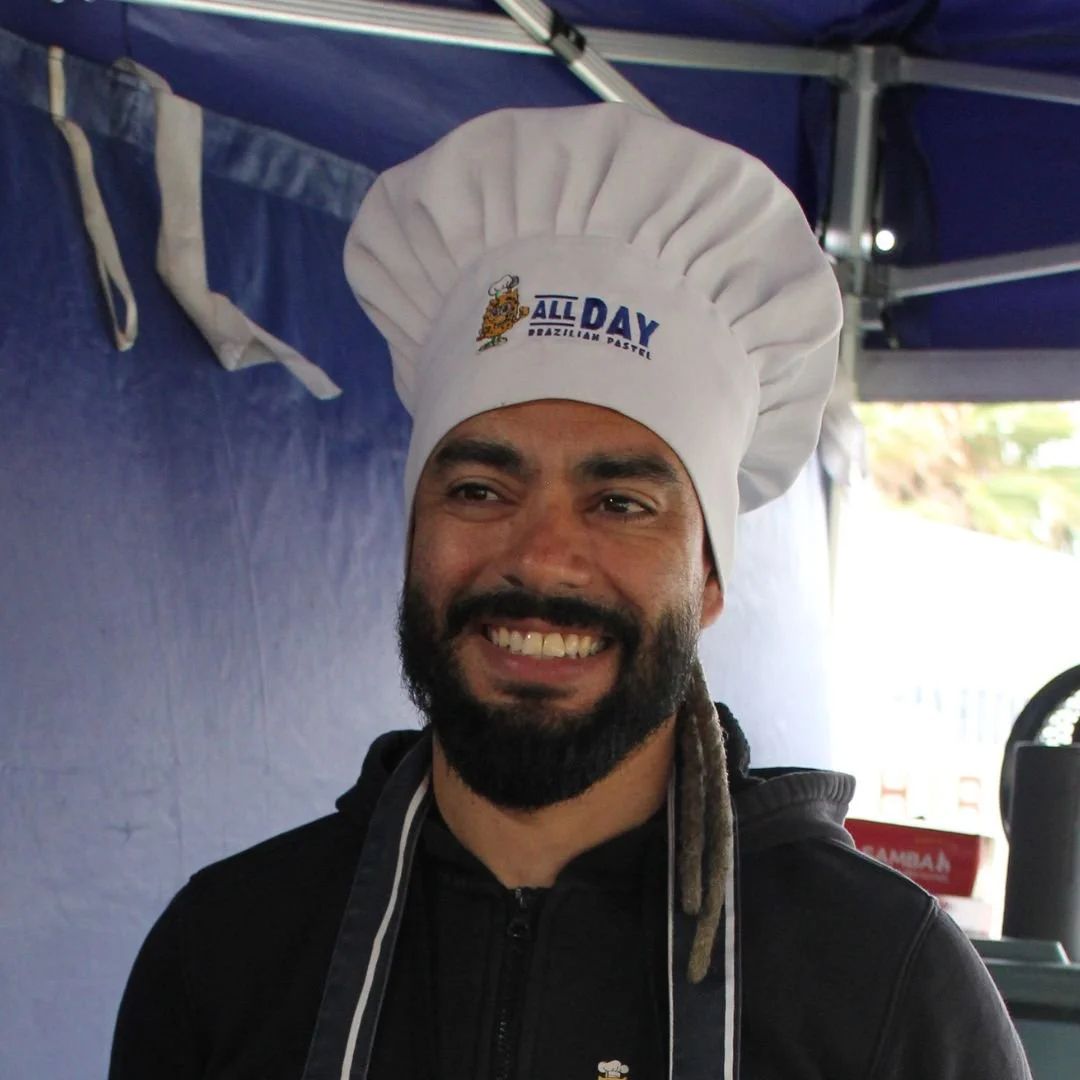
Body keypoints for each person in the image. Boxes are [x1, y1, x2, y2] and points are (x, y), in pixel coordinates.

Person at [108, 104, 1031, 1080]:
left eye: (621, 503)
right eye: (479, 490)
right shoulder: (227, 954)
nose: (543, 559)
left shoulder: (881, 983)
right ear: (413, 537)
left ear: (709, 577)